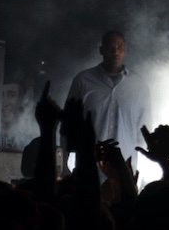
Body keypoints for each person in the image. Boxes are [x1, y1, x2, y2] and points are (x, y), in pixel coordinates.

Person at [60, 30, 151, 180]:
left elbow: (144, 129)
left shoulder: (138, 85)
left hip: (125, 171)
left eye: (119, 47)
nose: (115, 52)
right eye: (111, 48)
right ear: (102, 50)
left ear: (125, 50)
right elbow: (68, 125)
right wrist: (63, 165)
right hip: (89, 169)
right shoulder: (83, 81)